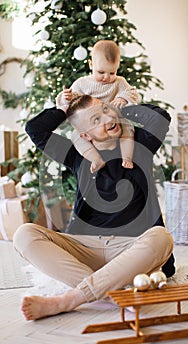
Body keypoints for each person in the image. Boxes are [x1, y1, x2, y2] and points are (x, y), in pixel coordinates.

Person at [13, 95, 176, 321]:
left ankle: (70, 299)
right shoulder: (76, 155)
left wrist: (124, 107)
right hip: (85, 247)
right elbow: (35, 129)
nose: (108, 118)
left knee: (162, 237)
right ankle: (107, 294)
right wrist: (61, 110)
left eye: (106, 110)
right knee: (24, 234)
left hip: (130, 248)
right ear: (85, 135)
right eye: (96, 119)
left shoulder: (140, 145)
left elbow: (161, 118)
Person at [56, 40, 141, 173]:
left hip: (114, 120)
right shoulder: (82, 83)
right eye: (101, 72)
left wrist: (122, 97)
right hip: (91, 126)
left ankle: (127, 158)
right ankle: (96, 159)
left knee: (128, 127)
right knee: (76, 136)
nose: (106, 77)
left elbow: (133, 93)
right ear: (91, 64)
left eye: (112, 73)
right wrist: (64, 97)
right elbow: (70, 104)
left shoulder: (119, 82)